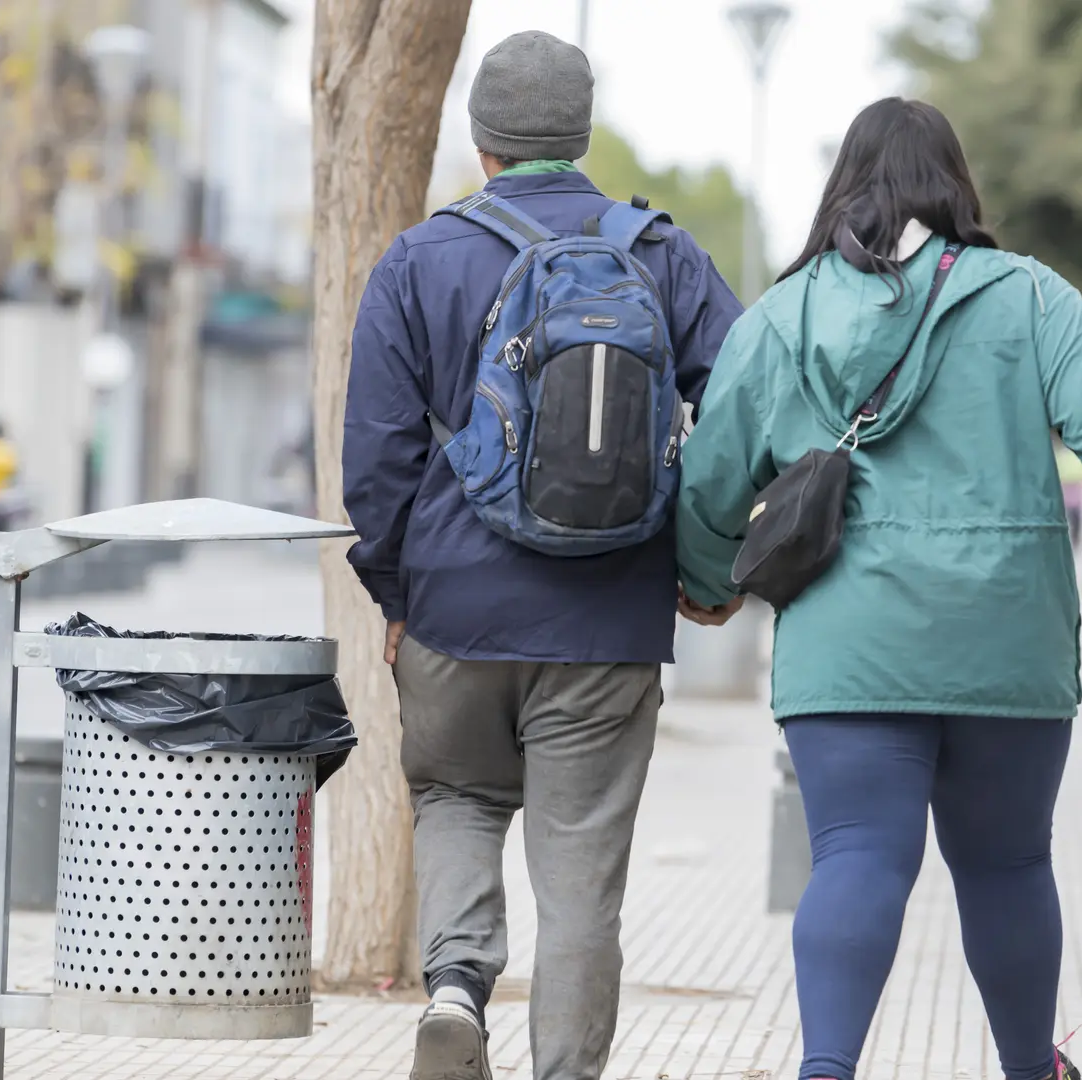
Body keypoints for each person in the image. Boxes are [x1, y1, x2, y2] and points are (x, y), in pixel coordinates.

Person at [674, 97, 1082, 1080]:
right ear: (955, 184)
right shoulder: (1032, 298)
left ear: (843, 185)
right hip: (1005, 644)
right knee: (1008, 866)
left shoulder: (786, 312)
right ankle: (1031, 1070)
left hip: (848, 648)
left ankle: (827, 1068)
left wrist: (706, 578)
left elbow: (714, 476)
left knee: (855, 861)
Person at [341, 31, 741, 1080]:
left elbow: (376, 461)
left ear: (481, 142)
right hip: (607, 622)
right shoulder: (660, 253)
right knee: (579, 877)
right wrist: (703, 568)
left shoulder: (420, 259)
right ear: (581, 134)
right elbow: (747, 413)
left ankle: (457, 992)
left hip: (453, 614)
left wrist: (396, 591)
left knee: (457, 799)